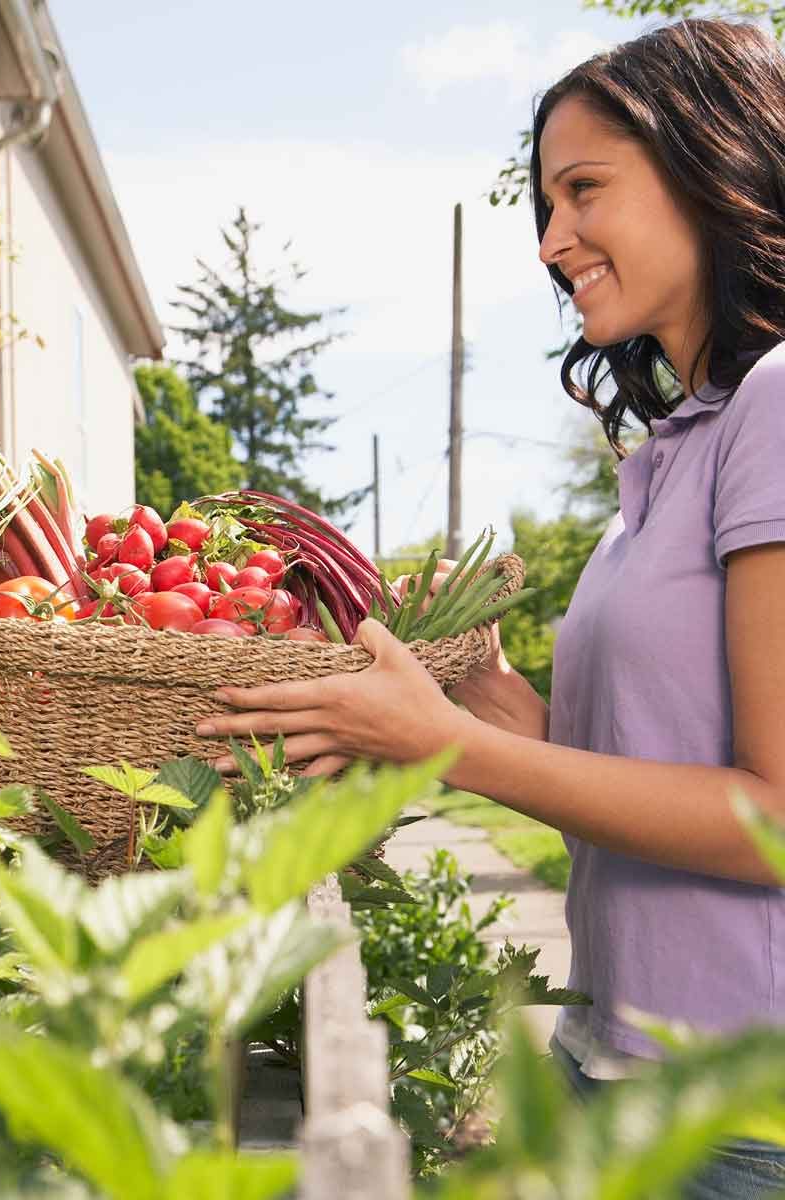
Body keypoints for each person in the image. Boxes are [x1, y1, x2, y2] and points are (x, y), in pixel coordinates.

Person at [198, 18, 785, 1198]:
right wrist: (483, 697)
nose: (555, 240)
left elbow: (775, 818)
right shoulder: (677, 442)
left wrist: (448, 747)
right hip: (609, 1069)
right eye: (545, 205)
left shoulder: (778, 404)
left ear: (709, 162)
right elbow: (633, 775)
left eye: (585, 192)